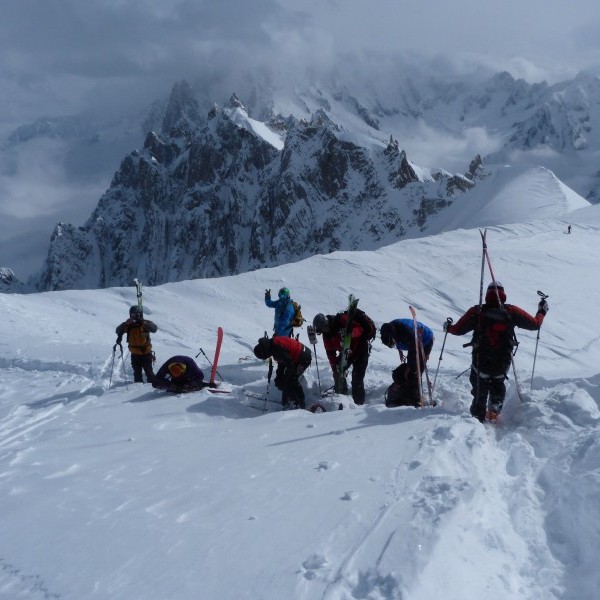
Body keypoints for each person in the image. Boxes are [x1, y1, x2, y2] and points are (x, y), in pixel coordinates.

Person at [445, 281, 548, 422]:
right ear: (503, 294)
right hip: (502, 361)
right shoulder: (511, 311)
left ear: (487, 294)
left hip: (481, 359)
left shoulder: (477, 311)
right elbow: (535, 324)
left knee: (479, 388)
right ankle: (494, 411)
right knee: (498, 384)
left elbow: (458, 330)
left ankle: (476, 417)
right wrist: (541, 311)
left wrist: (447, 327)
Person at [312, 309, 375, 405]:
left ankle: (358, 403)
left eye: (323, 329)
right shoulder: (327, 336)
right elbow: (330, 353)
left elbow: (360, 328)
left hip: (360, 347)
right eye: (321, 331)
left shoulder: (341, 319)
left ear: (326, 323)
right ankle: (342, 396)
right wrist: (334, 370)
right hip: (347, 351)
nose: (324, 331)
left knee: (357, 377)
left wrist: (352, 333)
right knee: (338, 370)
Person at [380, 318, 435, 407]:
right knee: (412, 369)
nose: (394, 345)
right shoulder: (389, 329)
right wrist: (400, 351)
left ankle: (415, 398)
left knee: (416, 369)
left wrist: (409, 367)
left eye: (393, 343)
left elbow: (413, 351)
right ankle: (410, 391)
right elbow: (397, 341)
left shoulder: (407, 333)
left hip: (425, 340)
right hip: (413, 341)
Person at [253, 336, 312, 409]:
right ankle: (290, 398)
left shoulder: (276, 348)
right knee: (282, 380)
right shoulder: (271, 344)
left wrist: (286, 380)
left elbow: (290, 365)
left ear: (264, 353)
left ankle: (298, 403)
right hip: (296, 358)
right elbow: (282, 362)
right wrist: (279, 377)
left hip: (304, 359)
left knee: (291, 379)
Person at [115, 306, 158, 383]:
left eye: (137, 314)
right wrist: (125, 323)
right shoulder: (129, 325)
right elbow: (118, 331)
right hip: (135, 354)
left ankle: (152, 389)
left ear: (140, 314)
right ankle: (137, 391)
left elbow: (154, 329)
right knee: (137, 374)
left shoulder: (145, 323)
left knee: (149, 373)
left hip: (146, 354)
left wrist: (143, 322)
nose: (135, 316)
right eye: (133, 315)